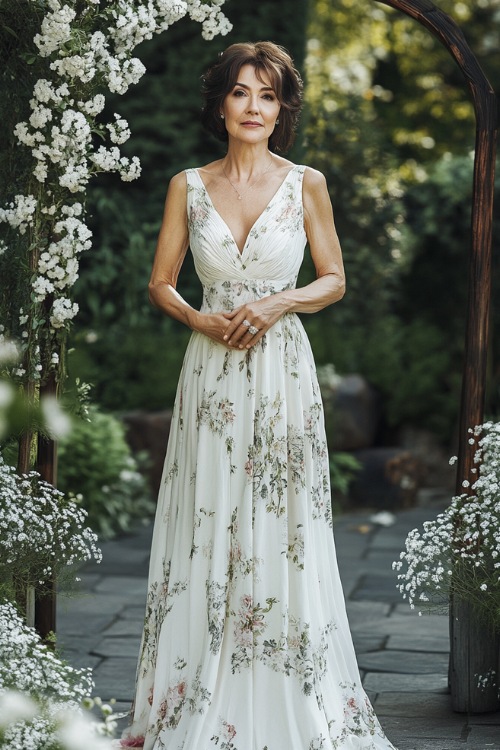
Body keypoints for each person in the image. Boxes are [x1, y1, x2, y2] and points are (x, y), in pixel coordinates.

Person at [120, 41, 397, 750]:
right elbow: (161, 281)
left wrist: (281, 304)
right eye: (241, 93)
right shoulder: (188, 184)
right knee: (206, 519)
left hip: (280, 372)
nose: (253, 107)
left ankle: (283, 696)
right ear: (221, 104)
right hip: (210, 371)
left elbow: (334, 277)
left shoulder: (308, 183)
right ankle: (189, 694)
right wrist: (197, 316)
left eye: (267, 95)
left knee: (283, 524)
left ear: (283, 109)